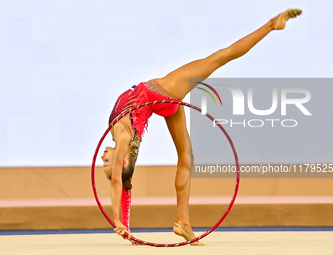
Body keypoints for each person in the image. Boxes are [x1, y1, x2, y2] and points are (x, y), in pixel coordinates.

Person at [101, 8, 302, 245]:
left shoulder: (121, 138)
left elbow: (123, 183)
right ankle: (271, 25)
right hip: (161, 92)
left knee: (186, 156)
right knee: (219, 57)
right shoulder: (123, 137)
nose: (102, 156)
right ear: (123, 160)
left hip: (162, 104)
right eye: (106, 162)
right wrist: (119, 223)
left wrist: (125, 226)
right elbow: (118, 182)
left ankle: (182, 221)